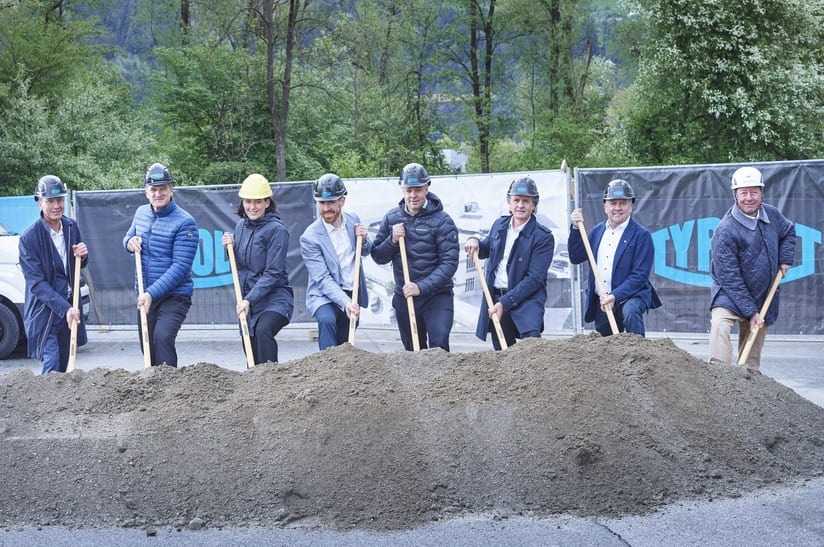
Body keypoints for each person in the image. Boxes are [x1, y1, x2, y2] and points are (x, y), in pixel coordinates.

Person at [709, 166, 795, 368]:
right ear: (735, 195)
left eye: (754, 192)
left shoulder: (772, 215)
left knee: (751, 355)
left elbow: (789, 231)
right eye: (744, 192)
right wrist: (750, 312)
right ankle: (719, 376)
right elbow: (729, 278)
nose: (749, 197)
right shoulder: (725, 230)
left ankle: (749, 382)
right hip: (729, 294)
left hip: (762, 294)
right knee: (720, 326)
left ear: (761, 193)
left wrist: (785, 259)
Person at [371, 162, 459, 351]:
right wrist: (392, 240)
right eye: (408, 190)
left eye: (418, 190)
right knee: (413, 350)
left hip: (437, 296)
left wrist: (420, 287)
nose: (413, 195)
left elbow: (449, 264)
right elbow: (378, 256)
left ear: (427, 188)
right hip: (405, 296)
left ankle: (442, 382)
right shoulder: (391, 218)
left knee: (439, 346)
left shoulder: (443, 221)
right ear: (402, 190)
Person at [464, 176, 554, 350]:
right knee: (503, 354)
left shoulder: (543, 237)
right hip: (496, 296)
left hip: (527, 299)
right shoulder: (499, 225)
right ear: (509, 203)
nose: (520, 205)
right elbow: (486, 248)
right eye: (516, 200)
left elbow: (535, 279)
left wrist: (505, 303)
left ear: (534, 205)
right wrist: (474, 240)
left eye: (526, 201)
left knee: (532, 349)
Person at [123, 163, 198, 367]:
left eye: (162, 189)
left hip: (174, 296)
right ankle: (152, 393)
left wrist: (151, 293)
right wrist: (129, 244)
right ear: (146, 192)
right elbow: (129, 237)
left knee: (162, 338)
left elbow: (180, 267)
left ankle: (171, 392)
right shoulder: (140, 213)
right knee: (147, 348)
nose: (158, 193)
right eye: (153, 189)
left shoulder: (185, 223)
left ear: (171, 190)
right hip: (145, 296)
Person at [568, 178, 661, 337]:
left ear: (631, 206)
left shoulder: (641, 236)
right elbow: (576, 257)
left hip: (632, 295)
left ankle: (639, 356)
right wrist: (576, 229)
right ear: (605, 206)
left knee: (630, 312)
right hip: (603, 300)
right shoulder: (596, 232)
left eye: (623, 203)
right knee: (608, 348)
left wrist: (615, 296)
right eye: (613, 203)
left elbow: (639, 276)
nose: (617, 208)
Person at [19, 175, 88, 374]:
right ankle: (44, 405)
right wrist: (65, 308)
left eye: (60, 200)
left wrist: (83, 256)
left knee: (65, 365)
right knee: (52, 364)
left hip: (69, 306)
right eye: (50, 201)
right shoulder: (29, 238)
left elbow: (77, 264)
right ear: (39, 202)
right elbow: (37, 284)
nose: (56, 205)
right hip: (44, 313)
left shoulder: (70, 227)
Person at [222, 173, 293, 364]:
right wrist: (228, 249)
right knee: (250, 348)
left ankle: (271, 383)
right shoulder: (240, 227)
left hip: (275, 300)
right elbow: (239, 264)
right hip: (248, 302)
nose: (252, 207)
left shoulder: (277, 230)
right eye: (248, 201)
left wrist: (249, 300)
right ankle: (255, 388)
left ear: (267, 203)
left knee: (263, 332)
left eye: (258, 202)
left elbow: (273, 273)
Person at [299, 174, 371, 350]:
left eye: (330, 202)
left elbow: (366, 250)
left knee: (345, 342)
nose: (326, 208)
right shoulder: (310, 237)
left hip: (351, 293)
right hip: (323, 295)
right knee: (327, 320)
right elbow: (322, 279)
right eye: (322, 203)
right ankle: (326, 370)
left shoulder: (353, 219)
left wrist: (365, 239)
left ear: (342, 201)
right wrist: (345, 303)